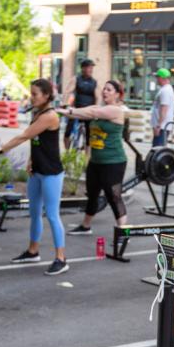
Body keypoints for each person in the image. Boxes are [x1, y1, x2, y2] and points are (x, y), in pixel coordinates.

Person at [0, 79, 68, 275]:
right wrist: (32, 160)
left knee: (51, 215)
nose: (31, 97)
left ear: (47, 96)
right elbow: (37, 141)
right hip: (37, 171)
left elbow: (24, 136)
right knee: (34, 213)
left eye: (35, 94)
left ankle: (61, 258)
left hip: (51, 173)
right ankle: (33, 251)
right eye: (31, 93)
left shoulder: (49, 116)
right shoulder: (37, 112)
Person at [63, 79, 130, 235]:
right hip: (96, 161)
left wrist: (68, 111)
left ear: (117, 95)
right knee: (92, 194)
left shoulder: (116, 110)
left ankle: (124, 232)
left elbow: (91, 113)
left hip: (114, 161)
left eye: (109, 90)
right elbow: (87, 111)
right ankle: (86, 226)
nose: (105, 92)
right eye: (104, 89)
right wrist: (64, 110)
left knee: (114, 196)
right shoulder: (99, 108)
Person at [64, 59, 98, 150]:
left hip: (89, 111)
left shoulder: (94, 82)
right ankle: (67, 152)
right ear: (83, 68)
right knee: (67, 131)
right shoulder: (76, 79)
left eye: (92, 68)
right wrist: (65, 104)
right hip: (77, 109)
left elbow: (97, 96)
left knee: (89, 136)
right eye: (89, 67)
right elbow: (67, 92)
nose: (91, 70)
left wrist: (97, 109)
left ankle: (87, 159)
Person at [150, 68, 174, 146]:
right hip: (162, 127)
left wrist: (158, 125)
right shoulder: (165, 89)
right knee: (157, 150)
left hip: (162, 127)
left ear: (162, 78)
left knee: (158, 150)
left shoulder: (166, 91)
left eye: (157, 77)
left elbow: (164, 109)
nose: (156, 79)